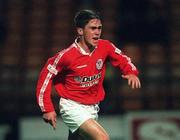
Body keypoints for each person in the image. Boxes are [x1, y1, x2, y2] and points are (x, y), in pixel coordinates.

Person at [36, 9, 141, 140]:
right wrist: (47, 108)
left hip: (92, 107)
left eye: (99, 28)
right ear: (80, 31)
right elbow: (45, 77)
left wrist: (130, 72)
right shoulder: (66, 56)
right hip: (72, 106)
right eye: (92, 28)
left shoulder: (105, 46)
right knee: (102, 138)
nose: (97, 32)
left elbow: (122, 58)